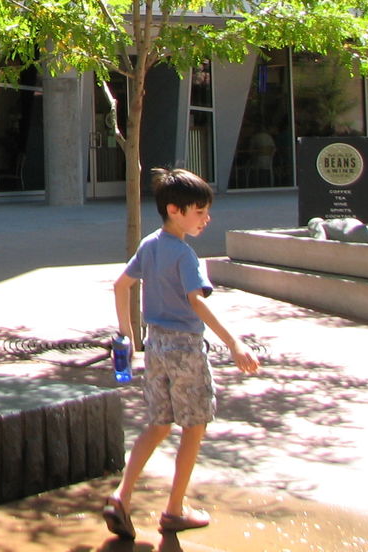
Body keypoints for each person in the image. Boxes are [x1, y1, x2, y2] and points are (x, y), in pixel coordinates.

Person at [102, 167, 260, 540]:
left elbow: (120, 285)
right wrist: (234, 342)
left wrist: (128, 337)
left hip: (155, 346)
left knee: (158, 424)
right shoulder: (186, 256)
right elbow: (197, 303)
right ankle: (174, 510)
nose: (207, 219)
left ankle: (121, 496)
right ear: (175, 209)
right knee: (194, 425)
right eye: (200, 212)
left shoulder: (150, 245)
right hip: (186, 349)